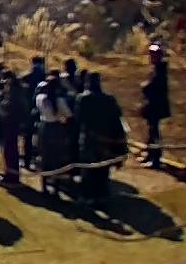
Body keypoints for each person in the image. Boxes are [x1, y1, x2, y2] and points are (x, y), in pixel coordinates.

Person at [76, 72, 126, 204]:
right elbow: (117, 119)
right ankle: (102, 195)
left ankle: (88, 196)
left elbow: (79, 120)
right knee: (103, 169)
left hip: (89, 140)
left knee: (88, 169)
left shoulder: (83, 99)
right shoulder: (110, 99)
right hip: (106, 140)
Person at [36, 75, 73, 196]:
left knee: (44, 156)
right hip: (56, 129)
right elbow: (68, 115)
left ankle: (44, 185)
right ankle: (56, 187)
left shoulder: (40, 98)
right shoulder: (59, 101)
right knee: (56, 158)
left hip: (43, 127)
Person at [140, 42, 171, 169]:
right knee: (152, 130)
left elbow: (155, 87)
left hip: (156, 106)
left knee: (154, 132)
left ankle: (155, 159)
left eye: (153, 55)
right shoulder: (157, 69)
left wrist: (145, 87)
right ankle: (150, 155)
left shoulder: (160, 70)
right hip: (153, 105)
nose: (151, 57)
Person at [0, 71, 26, 186]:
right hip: (11, 123)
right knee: (9, 150)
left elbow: (8, 106)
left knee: (10, 150)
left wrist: (0, 103)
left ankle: (12, 176)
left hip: (10, 123)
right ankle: (10, 174)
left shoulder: (14, 92)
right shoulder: (15, 90)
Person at [20, 56, 46, 170]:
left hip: (29, 109)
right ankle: (41, 158)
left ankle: (27, 160)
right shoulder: (45, 76)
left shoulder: (27, 76)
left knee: (28, 136)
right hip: (43, 108)